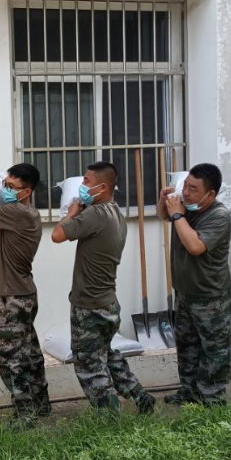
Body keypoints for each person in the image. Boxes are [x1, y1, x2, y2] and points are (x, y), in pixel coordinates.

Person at [52, 161, 155, 414]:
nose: (82, 185)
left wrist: (72, 211)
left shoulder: (94, 215)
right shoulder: (115, 213)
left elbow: (57, 235)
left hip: (90, 305)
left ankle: (109, 418)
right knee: (105, 355)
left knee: (89, 365)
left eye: (87, 181)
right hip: (108, 302)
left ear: (103, 187)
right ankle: (140, 396)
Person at [0, 161, 50, 427]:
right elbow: (0, 238)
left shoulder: (17, 213)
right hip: (21, 294)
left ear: (26, 192)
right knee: (30, 353)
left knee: (11, 359)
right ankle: (41, 404)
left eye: (11, 186)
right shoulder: (25, 215)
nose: (6, 189)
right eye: (4, 184)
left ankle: (25, 415)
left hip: (13, 298)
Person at [157, 163, 231, 405]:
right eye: (185, 186)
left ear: (210, 194)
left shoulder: (218, 216)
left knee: (214, 351)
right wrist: (164, 202)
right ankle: (189, 393)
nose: (186, 193)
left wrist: (178, 215)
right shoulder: (187, 206)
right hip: (185, 292)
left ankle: (213, 401)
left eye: (193, 189)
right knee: (187, 346)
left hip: (210, 297)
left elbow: (195, 246)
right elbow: (164, 216)